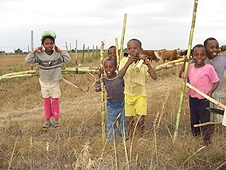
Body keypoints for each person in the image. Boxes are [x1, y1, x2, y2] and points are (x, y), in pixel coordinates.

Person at [25, 30, 71, 129]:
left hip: (55, 81)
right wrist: (34, 51)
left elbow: (68, 59)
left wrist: (61, 51)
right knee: (46, 102)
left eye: (51, 43)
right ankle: (47, 121)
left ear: (54, 44)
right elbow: (28, 61)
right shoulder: (39, 55)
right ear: (42, 45)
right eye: (46, 44)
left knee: (55, 101)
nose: (49, 45)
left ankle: (56, 121)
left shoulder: (58, 55)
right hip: (44, 82)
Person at [118, 38, 157, 142]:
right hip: (128, 94)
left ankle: (140, 137)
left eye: (135, 48)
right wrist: (128, 63)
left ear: (141, 50)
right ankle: (129, 138)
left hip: (141, 95)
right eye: (129, 48)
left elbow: (154, 77)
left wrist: (148, 64)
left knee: (141, 119)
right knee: (128, 119)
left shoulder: (143, 63)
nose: (132, 50)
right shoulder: (124, 61)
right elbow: (119, 76)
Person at [179, 44, 219, 145]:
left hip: (204, 98)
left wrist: (210, 92)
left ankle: (206, 139)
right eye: (196, 55)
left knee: (205, 119)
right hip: (193, 97)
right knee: (194, 118)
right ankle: (195, 136)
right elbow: (181, 75)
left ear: (206, 56)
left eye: (202, 54)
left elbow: (216, 81)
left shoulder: (209, 68)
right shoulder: (190, 67)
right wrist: (185, 64)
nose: (199, 57)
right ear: (192, 56)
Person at [95, 58, 126, 143]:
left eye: (111, 67)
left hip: (122, 105)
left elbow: (126, 87)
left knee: (122, 123)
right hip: (111, 106)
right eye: (106, 67)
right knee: (111, 124)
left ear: (116, 68)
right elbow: (97, 89)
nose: (108, 69)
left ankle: (124, 139)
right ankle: (111, 140)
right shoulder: (104, 80)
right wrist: (98, 77)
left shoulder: (120, 78)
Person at [203, 37, 226, 122]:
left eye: (217, 47)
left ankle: (217, 132)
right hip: (203, 93)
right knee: (205, 115)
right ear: (205, 48)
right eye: (211, 47)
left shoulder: (223, 59)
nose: (214, 50)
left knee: (218, 117)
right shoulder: (200, 59)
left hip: (218, 92)